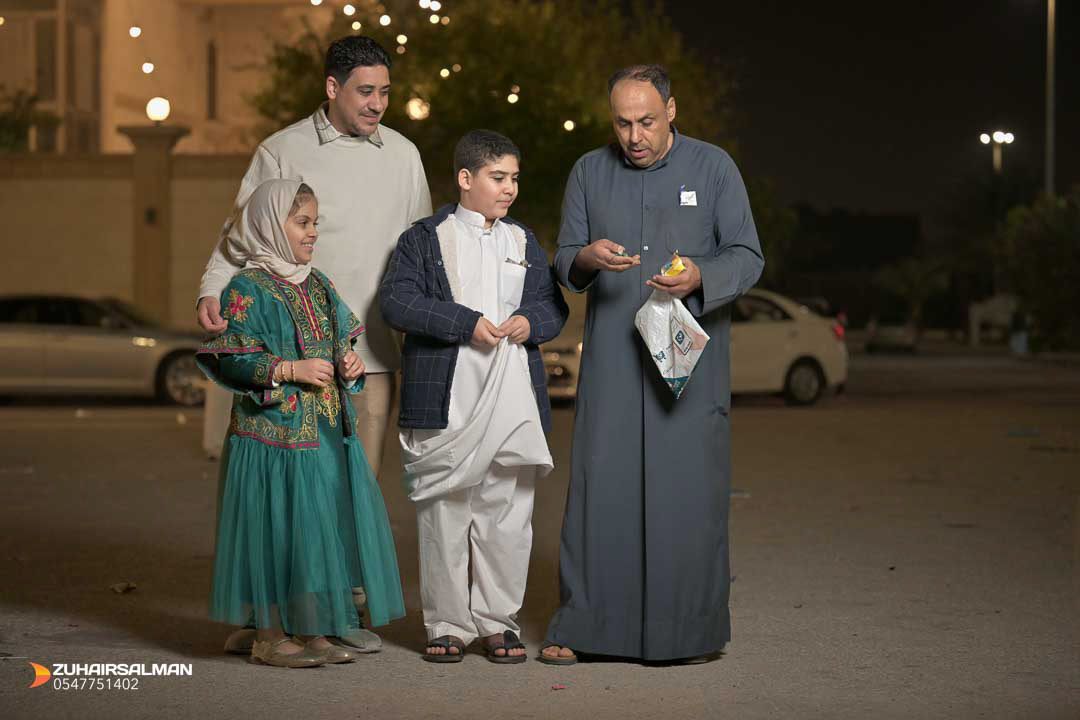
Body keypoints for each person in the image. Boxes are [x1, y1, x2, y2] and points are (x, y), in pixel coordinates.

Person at [196, 35, 431, 654]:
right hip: (288, 352)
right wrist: (212, 290)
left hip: (367, 354)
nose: (377, 103)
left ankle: (335, 611)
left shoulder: (404, 155)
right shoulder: (283, 149)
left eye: (385, 92)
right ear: (332, 88)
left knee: (353, 491)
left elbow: (420, 250)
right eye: (365, 91)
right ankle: (274, 617)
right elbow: (240, 233)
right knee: (289, 494)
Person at [539, 65, 764, 665]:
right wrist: (585, 258)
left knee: (686, 495)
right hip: (613, 363)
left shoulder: (714, 168)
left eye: (646, 122)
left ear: (671, 111)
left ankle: (686, 634)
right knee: (601, 490)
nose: (634, 137)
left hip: (689, 368)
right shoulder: (589, 170)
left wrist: (701, 275)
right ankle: (587, 628)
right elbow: (565, 257)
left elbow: (747, 255)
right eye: (622, 123)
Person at [196, 179, 405, 668]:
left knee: (315, 532)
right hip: (272, 438)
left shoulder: (318, 283)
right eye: (302, 222)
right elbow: (232, 359)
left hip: (324, 436)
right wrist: (288, 370)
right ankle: (269, 636)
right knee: (275, 531)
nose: (313, 232)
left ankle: (310, 628)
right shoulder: (246, 288)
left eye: (315, 222)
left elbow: (339, 343)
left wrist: (349, 363)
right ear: (270, 224)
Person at [379, 130, 568, 664]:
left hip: (512, 401)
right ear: (465, 178)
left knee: (507, 514)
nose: (509, 189)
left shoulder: (522, 240)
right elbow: (397, 302)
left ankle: (497, 621)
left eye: (514, 179)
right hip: (446, 401)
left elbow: (552, 306)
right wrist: (464, 323)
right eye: (497, 177)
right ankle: (447, 624)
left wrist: (529, 321)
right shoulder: (423, 239)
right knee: (445, 513)